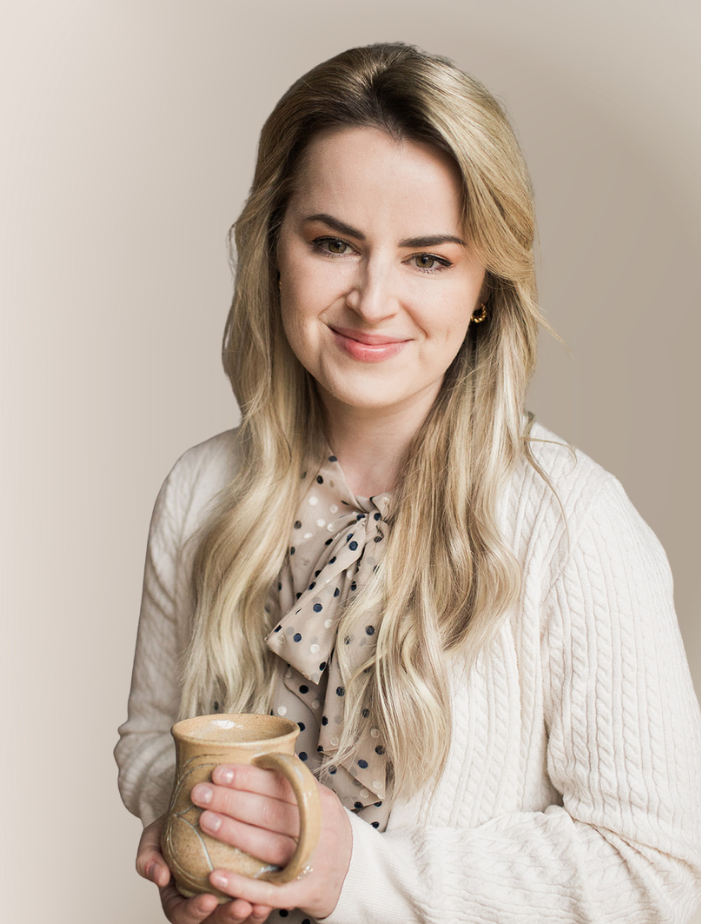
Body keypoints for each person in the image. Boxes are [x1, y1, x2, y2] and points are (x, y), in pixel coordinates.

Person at [115, 43, 700, 924]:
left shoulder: (573, 524)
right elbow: (149, 745)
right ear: (275, 251)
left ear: (482, 289)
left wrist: (359, 874)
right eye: (332, 244)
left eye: (427, 258)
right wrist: (201, 837)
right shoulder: (201, 492)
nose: (372, 299)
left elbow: (665, 872)